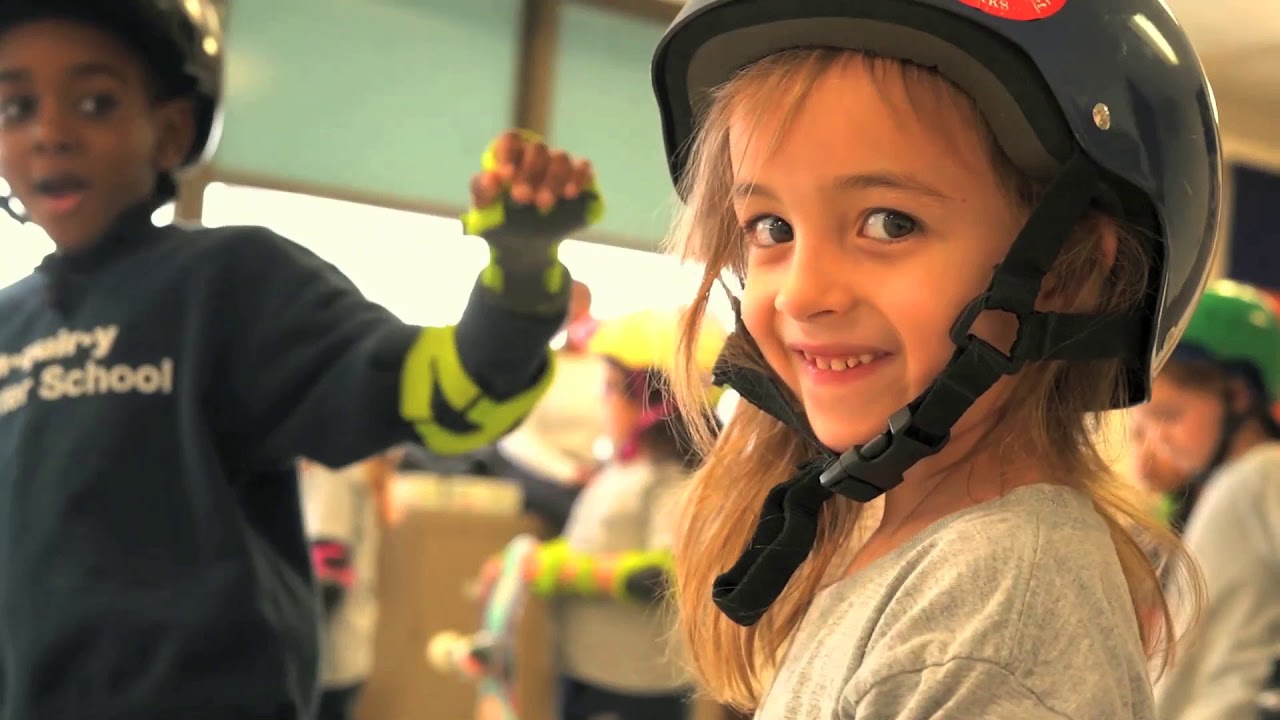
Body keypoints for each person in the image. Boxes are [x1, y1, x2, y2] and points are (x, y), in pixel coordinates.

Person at [0, 1, 603, 717]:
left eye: (94, 103)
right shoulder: (10, 325)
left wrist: (522, 280)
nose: (50, 135)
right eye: (15, 107)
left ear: (169, 133)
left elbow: (442, 397)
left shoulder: (228, 282)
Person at [649, 0, 1220, 717]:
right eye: (771, 226)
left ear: (1068, 274)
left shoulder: (996, 610)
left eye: (889, 223)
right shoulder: (917, 557)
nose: (801, 294)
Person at [481, 309, 726, 720]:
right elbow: (592, 546)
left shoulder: (674, 480)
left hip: (634, 685)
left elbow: (663, 575)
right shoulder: (621, 471)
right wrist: (524, 566)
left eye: (612, 388)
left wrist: (558, 571)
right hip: (589, 670)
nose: (601, 399)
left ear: (653, 405)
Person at [1129, 279, 1280, 720]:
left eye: (1170, 416)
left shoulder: (1264, 473)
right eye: (1145, 424)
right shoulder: (1228, 485)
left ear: (1237, 397)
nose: (1157, 440)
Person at [298, 451, 403, 720]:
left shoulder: (334, 472)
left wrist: (294, 650)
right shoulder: (351, 469)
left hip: (328, 659)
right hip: (347, 651)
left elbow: (329, 576)